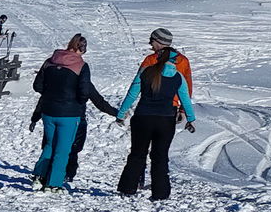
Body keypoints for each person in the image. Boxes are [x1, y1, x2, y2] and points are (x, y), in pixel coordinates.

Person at [28, 34, 115, 191]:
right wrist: (77, 102)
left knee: (49, 145)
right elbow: (84, 91)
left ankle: (39, 176)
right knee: (63, 149)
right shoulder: (81, 65)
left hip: (48, 110)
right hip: (69, 113)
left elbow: (37, 86)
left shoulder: (50, 61)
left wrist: (51, 94)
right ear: (81, 49)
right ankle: (54, 184)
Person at [116, 36, 197, 201]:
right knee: (160, 156)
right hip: (166, 121)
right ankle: (160, 193)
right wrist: (190, 118)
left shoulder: (146, 71)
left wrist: (121, 113)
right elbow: (185, 100)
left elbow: (132, 94)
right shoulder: (178, 77)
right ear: (173, 61)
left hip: (142, 118)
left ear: (158, 57)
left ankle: (128, 187)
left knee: (137, 154)